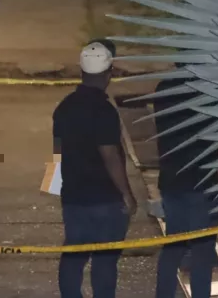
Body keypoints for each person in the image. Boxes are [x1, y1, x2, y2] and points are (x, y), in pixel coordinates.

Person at [53, 40, 136, 298]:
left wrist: (56, 185)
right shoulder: (103, 110)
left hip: (75, 196)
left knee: (74, 256)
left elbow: (56, 150)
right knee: (104, 260)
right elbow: (109, 155)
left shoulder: (64, 107)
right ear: (108, 74)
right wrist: (127, 194)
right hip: (104, 197)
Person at [153, 70, 218, 298]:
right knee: (202, 251)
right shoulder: (208, 88)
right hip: (201, 181)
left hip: (172, 178)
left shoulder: (164, 87)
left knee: (174, 245)